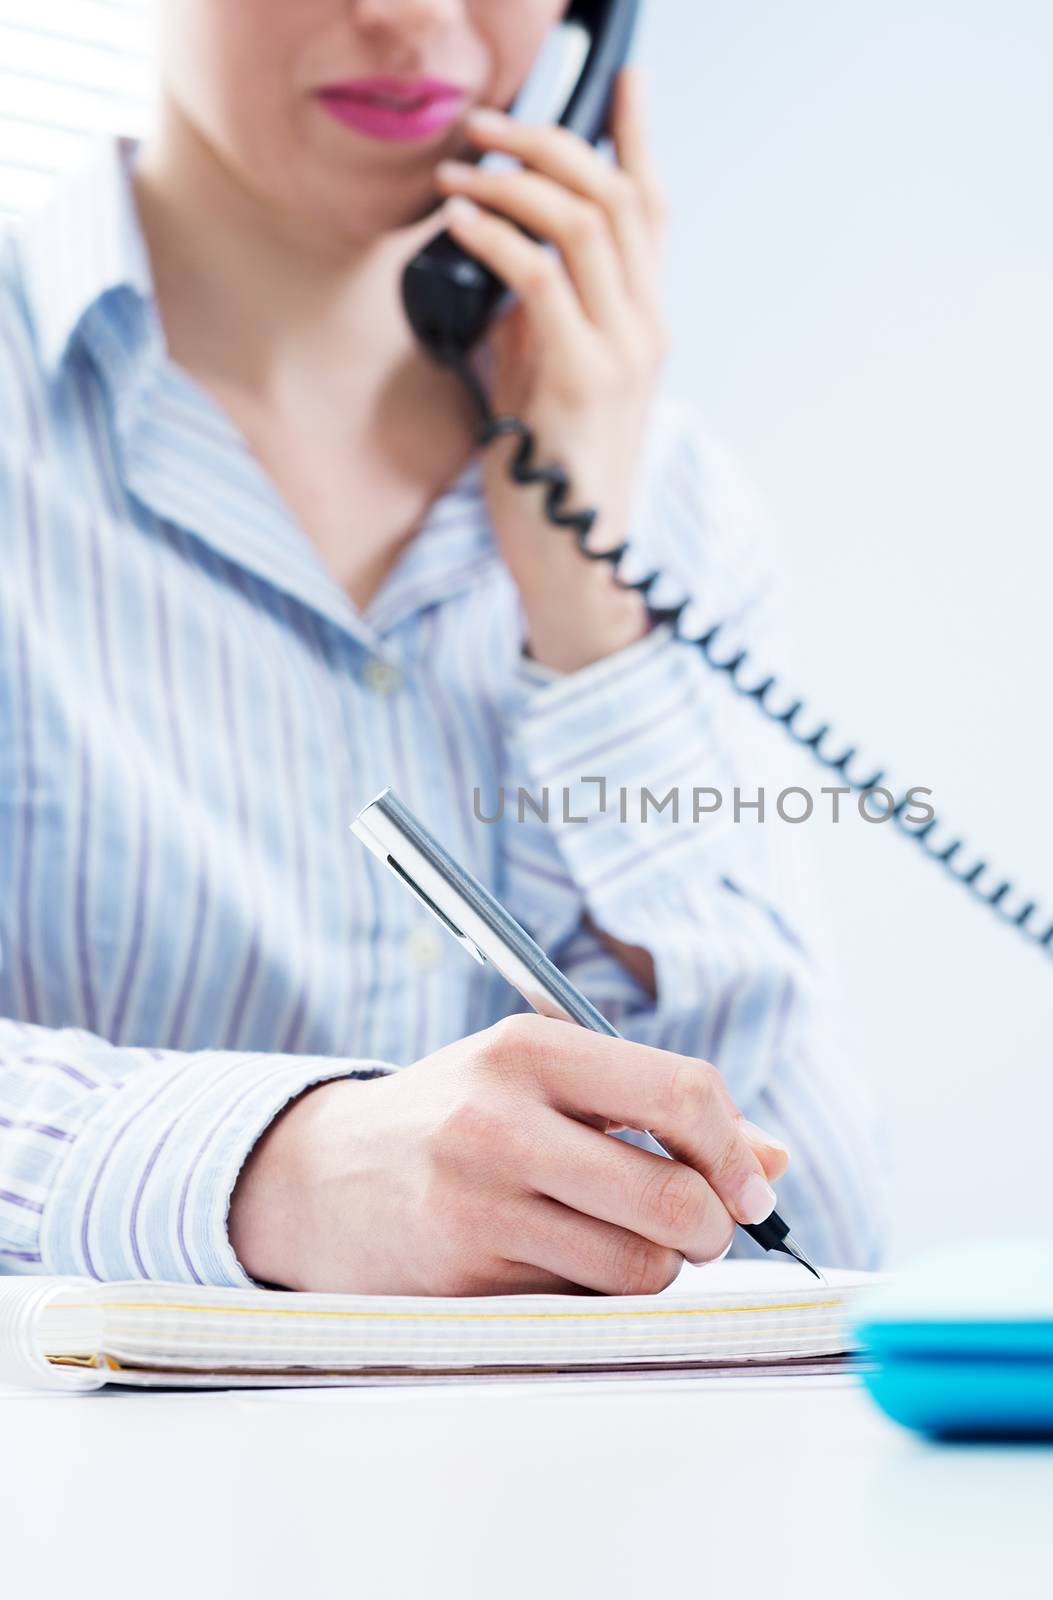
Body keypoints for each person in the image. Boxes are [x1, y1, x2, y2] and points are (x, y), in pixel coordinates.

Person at [0, 0, 884, 1295]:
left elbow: (820, 1248)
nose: (409, 15)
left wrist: (586, 622)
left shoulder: (661, 498)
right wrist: (283, 1173)